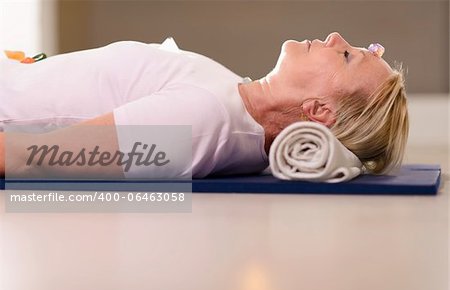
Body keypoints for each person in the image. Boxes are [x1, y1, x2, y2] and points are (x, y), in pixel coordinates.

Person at [0, 32, 408, 178]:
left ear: (319, 111)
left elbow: (32, 157)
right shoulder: (233, 96)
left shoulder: (203, 124)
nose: (335, 37)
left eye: (347, 56)